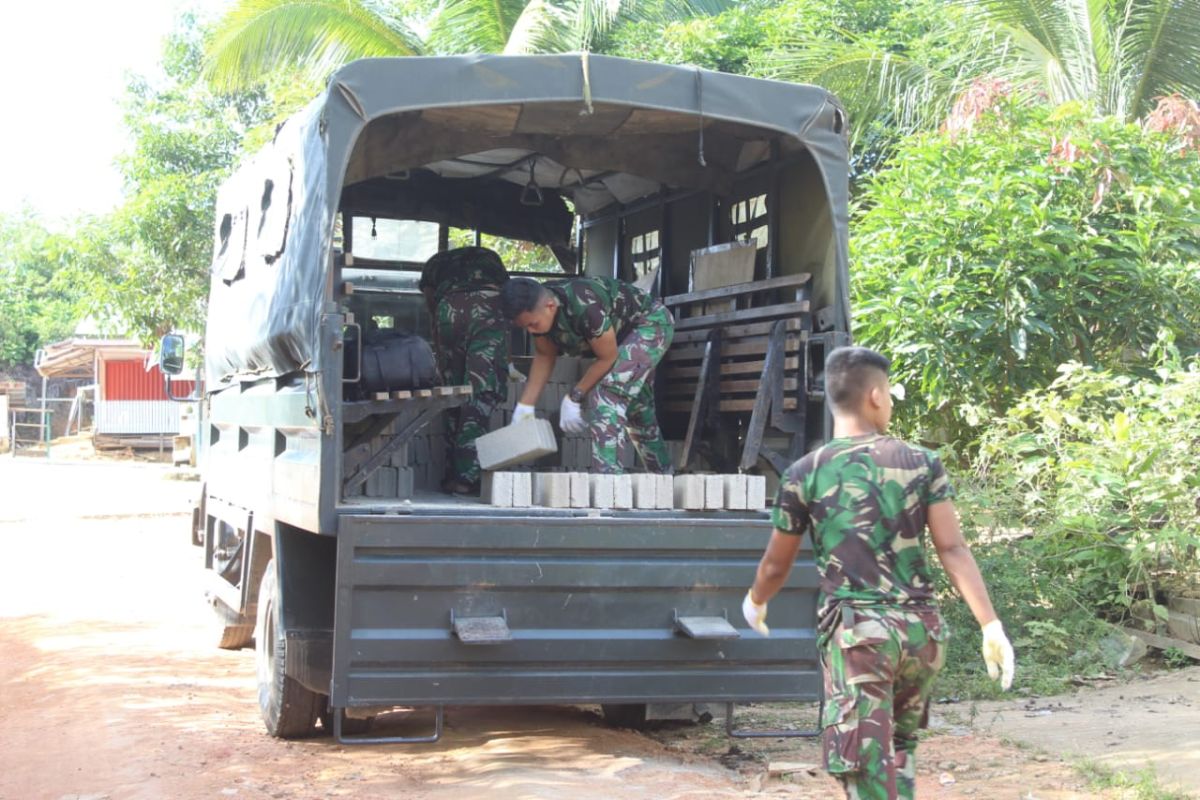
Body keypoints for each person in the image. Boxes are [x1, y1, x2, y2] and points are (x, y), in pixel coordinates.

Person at [741, 346, 1014, 800]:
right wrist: (990, 623)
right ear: (874, 396)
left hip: (860, 640)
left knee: (864, 768)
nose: (889, 403)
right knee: (898, 754)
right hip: (920, 636)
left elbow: (776, 563)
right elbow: (953, 548)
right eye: (889, 394)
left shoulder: (806, 472)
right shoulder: (923, 464)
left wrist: (756, 601)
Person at [499, 275, 674, 474]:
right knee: (637, 409)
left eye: (533, 324)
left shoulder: (584, 305)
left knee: (607, 396)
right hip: (621, 336)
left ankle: (610, 487)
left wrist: (575, 396)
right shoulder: (540, 306)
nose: (531, 331)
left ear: (550, 306)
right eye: (526, 327)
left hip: (650, 324)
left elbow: (607, 358)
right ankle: (664, 478)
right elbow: (545, 355)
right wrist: (525, 406)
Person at [420, 246, 511, 494]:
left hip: (447, 310)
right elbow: (508, 292)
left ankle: (452, 473)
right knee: (480, 391)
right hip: (487, 308)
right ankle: (466, 478)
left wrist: (439, 327)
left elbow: (430, 299)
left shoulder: (436, 261)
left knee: (453, 391)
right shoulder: (490, 255)